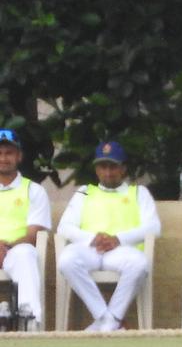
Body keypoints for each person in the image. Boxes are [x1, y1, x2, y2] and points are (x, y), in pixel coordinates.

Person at [56, 141, 161, 331]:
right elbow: (65, 227)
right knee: (66, 260)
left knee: (139, 264)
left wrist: (118, 239)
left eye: (113, 166)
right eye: (103, 167)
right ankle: (107, 319)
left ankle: (107, 321)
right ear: (96, 169)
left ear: (123, 169)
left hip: (122, 251)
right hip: (90, 249)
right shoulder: (85, 192)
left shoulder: (138, 193)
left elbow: (154, 227)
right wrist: (93, 239)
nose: (108, 172)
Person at [0, 129, 50, 330]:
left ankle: (30, 321)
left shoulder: (34, 190)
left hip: (15, 250)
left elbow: (33, 234)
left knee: (26, 254)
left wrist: (5, 246)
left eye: (9, 153)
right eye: (0, 153)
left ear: (19, 156)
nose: (3, 158)